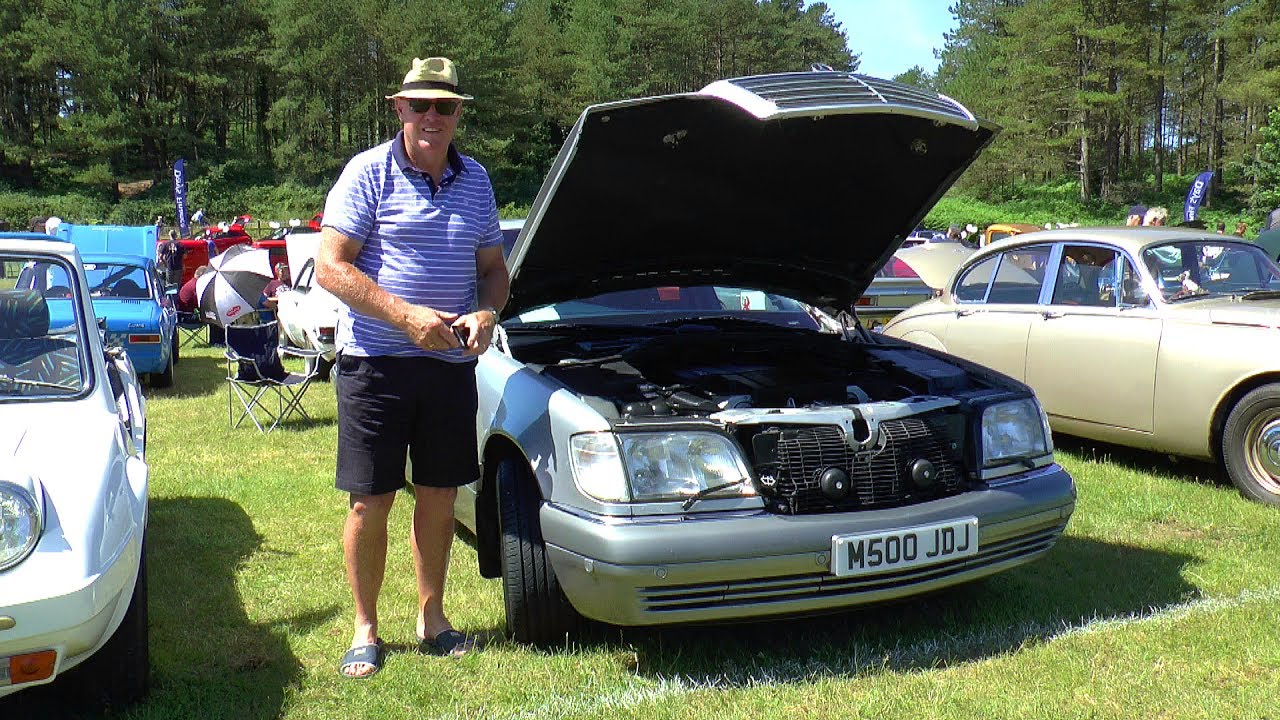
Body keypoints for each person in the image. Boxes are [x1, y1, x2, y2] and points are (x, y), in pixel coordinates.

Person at [316, 56, 509, 679]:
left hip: (450, 365)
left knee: (439, 494)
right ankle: (365, 627)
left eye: (444, 106)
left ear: (458, 115)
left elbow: (494, 271)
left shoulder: (476, 179)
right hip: (376, 364)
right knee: (371, 502)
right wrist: (405, 319)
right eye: (420, 105)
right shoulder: (366, 174)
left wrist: (487, 312)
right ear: (398, 108)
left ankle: (432, 616)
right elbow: (330, 267)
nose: (432, 116)